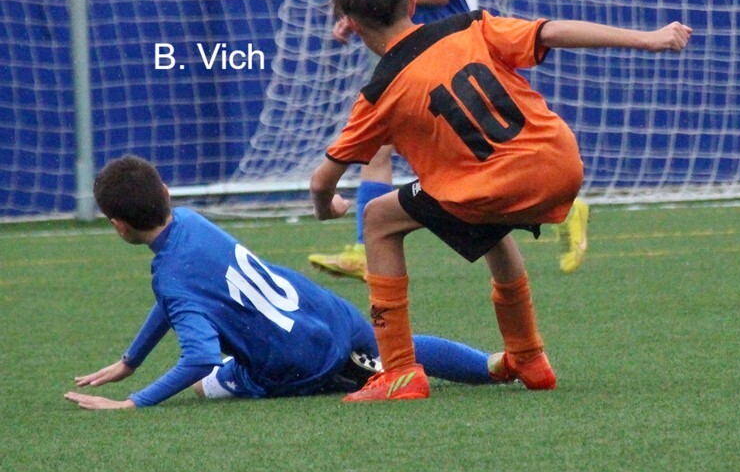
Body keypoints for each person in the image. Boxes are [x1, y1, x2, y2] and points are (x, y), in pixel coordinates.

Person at [309, 0, 692, 401]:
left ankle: (398, 372)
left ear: (355, 27)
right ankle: (528, 357)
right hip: (560, 162)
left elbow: (322, 182)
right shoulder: (471, 26)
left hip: (494, 185)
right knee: (475, 207)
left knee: (379, 217)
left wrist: (328, 208)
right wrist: (648, 39)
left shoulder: (378, 94)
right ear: (411, 4)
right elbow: (551, 31)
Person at [64, 155, 507, 410]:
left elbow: (199, 357)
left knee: (204, 385)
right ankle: (495, 363)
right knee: (387, 348)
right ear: (165, 191)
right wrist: (131, 360)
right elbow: (175, 298)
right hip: (323, 309)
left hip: (296, 360)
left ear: (119, 226)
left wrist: (133, 401)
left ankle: (353, 371)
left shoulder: (172, 277)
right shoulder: (189, 220)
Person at [308, 0, 472, 281]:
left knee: (468, 151)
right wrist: (359, 15)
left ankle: (567, 203)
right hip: (409, 46)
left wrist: (390, 0)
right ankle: (365, 248)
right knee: (382, 141)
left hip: (443, 42)